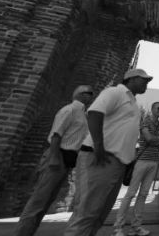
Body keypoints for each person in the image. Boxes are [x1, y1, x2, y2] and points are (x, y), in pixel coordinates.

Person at [64, 68, 153, 236]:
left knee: (99, 214)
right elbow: (95, 113)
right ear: (131, 78)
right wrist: (98, 145)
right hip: (102, 158)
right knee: (87, 212)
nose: (147, 83)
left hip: (117, 163)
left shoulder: (132, 101)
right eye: (144, 79)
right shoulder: (115, 92)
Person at [15, 85, 94, 236]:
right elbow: (56, 135)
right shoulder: (69, 110)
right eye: (89, 93)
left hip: (66, 159)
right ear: (80, 95)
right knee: (38, 201)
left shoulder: (82, 114)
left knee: (46, 201)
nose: (91, 96)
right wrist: (54, 158)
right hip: (57, 157)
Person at [114, 101, 159, 236]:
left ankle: (136, 227)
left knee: (143, 194)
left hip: (154, 161)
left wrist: (157, 139)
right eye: (158, 108)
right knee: (131, 193)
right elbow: (149, 138)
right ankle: (118, 227)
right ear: (152, 109)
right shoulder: (145, 121)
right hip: (142, 160)